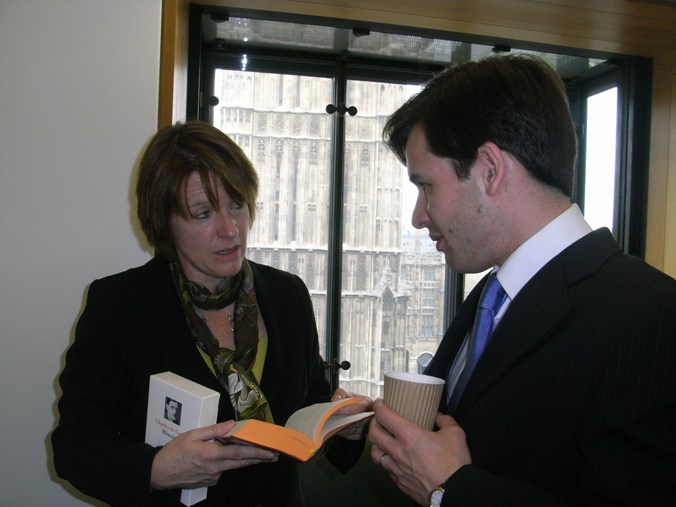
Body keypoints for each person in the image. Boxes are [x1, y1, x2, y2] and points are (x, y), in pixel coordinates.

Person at [368, 55, 676, 506]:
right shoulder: (491, 296)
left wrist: (452, 491)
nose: (418, 217)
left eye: (426, 186)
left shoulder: (653, 318)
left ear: (490, 170)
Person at [52, 121, 369, 506]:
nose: (231, 229)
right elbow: (74, 445)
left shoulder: (288, 295)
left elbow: (310, 405)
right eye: (203, 214)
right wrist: (157, 468)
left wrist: (344, 423)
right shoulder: (120, 304)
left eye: (237, 204)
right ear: (165, 223)